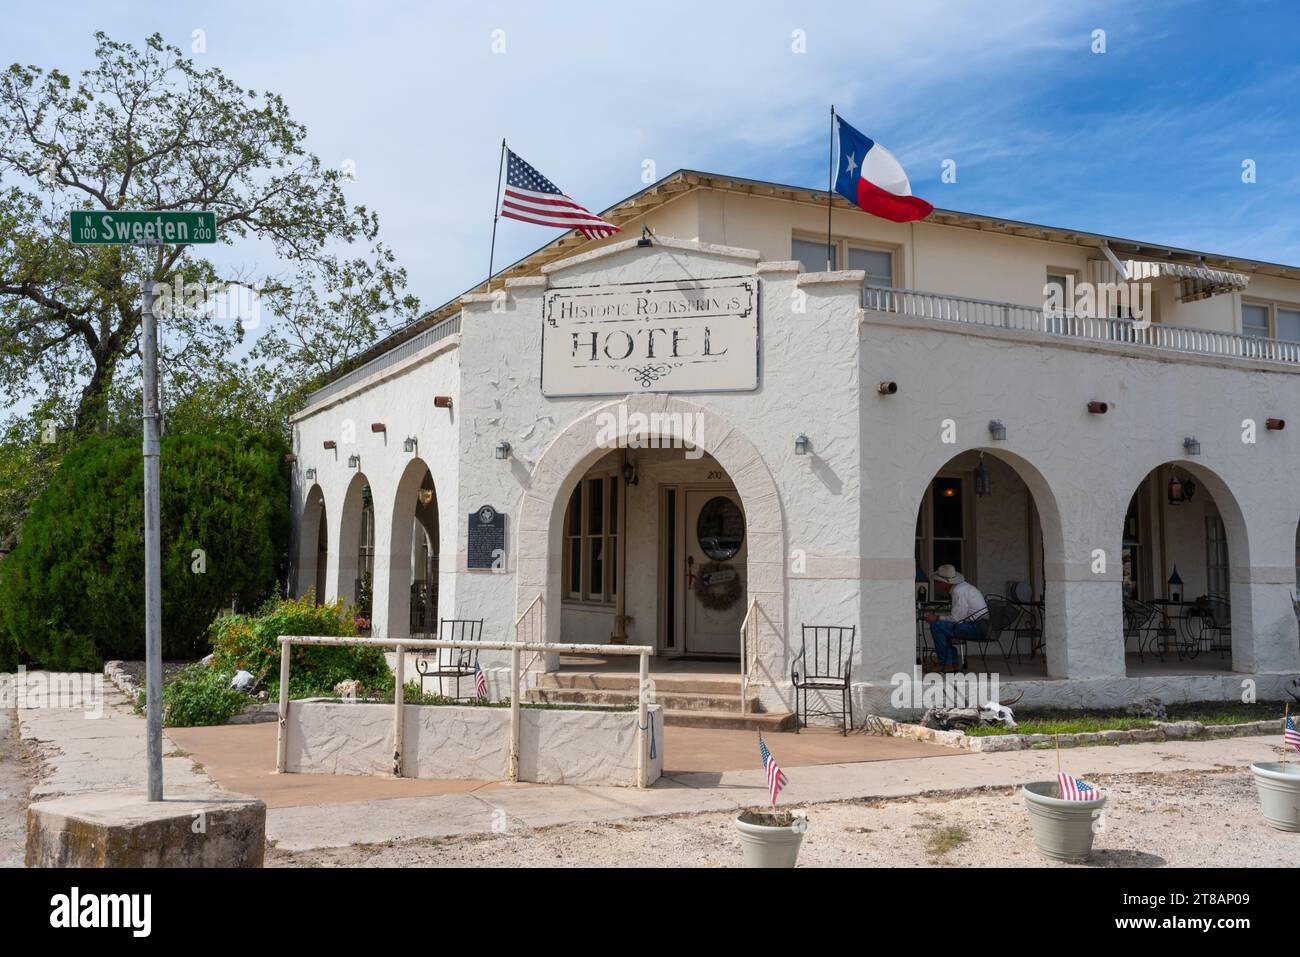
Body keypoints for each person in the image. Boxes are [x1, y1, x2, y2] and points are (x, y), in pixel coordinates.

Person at [923, 564, 988, 671]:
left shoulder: (959, 591)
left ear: (943, 583)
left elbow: (957, 619)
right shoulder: (963, 587)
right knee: (943, 627)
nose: (937, 585)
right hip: (979, 625)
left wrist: (937, 618)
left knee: (937, 626)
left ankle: (945, 663)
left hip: (978, 628)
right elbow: (959, 617)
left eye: (937, 582)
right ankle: (950, 663)